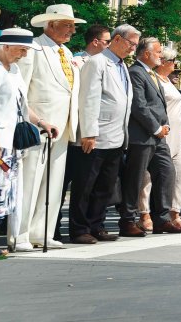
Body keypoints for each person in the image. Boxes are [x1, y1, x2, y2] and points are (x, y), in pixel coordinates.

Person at [11, 4, 85, 252]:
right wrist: (32, 120)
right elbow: (20, 90)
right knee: (29, 180)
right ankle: (19, 234)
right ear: (50, 25)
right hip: (38, 126)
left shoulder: (66, 53)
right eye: (67, 25)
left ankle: (42, 232)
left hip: (62, 127)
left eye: (73, 26)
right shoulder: (33, 49)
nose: (72, 30)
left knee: (53, 183)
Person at [0, 29, 56, 259]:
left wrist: (41, 121)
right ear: (5, 47)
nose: (24, 53)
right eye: (21, 48)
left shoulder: (12, 70)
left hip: (8, 141)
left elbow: (22, 104)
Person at [70, 24, 138, 244]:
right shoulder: (97, 61)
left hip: (116, 136)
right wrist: (88, 132)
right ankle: (80, 229)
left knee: (105, 187)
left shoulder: (122, 66)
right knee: (85, 186)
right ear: (117, 39)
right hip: (97, 135)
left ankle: (96, 225)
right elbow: (89, 98)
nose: (133, 49)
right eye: (131, 43)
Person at [120, 37, 181, 237]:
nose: (161, 56)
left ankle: (162, 219)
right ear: (146, 54)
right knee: (135, 179)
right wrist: (156, 128)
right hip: (143, 136)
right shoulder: (136, 72)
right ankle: (128, 220)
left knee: (167, 172)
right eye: (157, 52)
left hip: (158, 137)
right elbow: (139, 105)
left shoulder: (150, 74)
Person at [55, 23, 111, 241]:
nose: (108, 45)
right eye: (106, 41)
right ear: (95, 41)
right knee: (65, 182)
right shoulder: (77, 60)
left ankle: (91, 224)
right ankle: (55, 225)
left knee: (93, 183)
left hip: (90, 131)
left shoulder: (106, 63)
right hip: (72, 130)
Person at [139, 47, 181, 230]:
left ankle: (174, 213)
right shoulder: (154, 79)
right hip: (160, 134)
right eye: (173, 62)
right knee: (148, 177)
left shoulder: (168, 81)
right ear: (166, 63)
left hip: (176, 135)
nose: (175, 66)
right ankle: (144, 214)